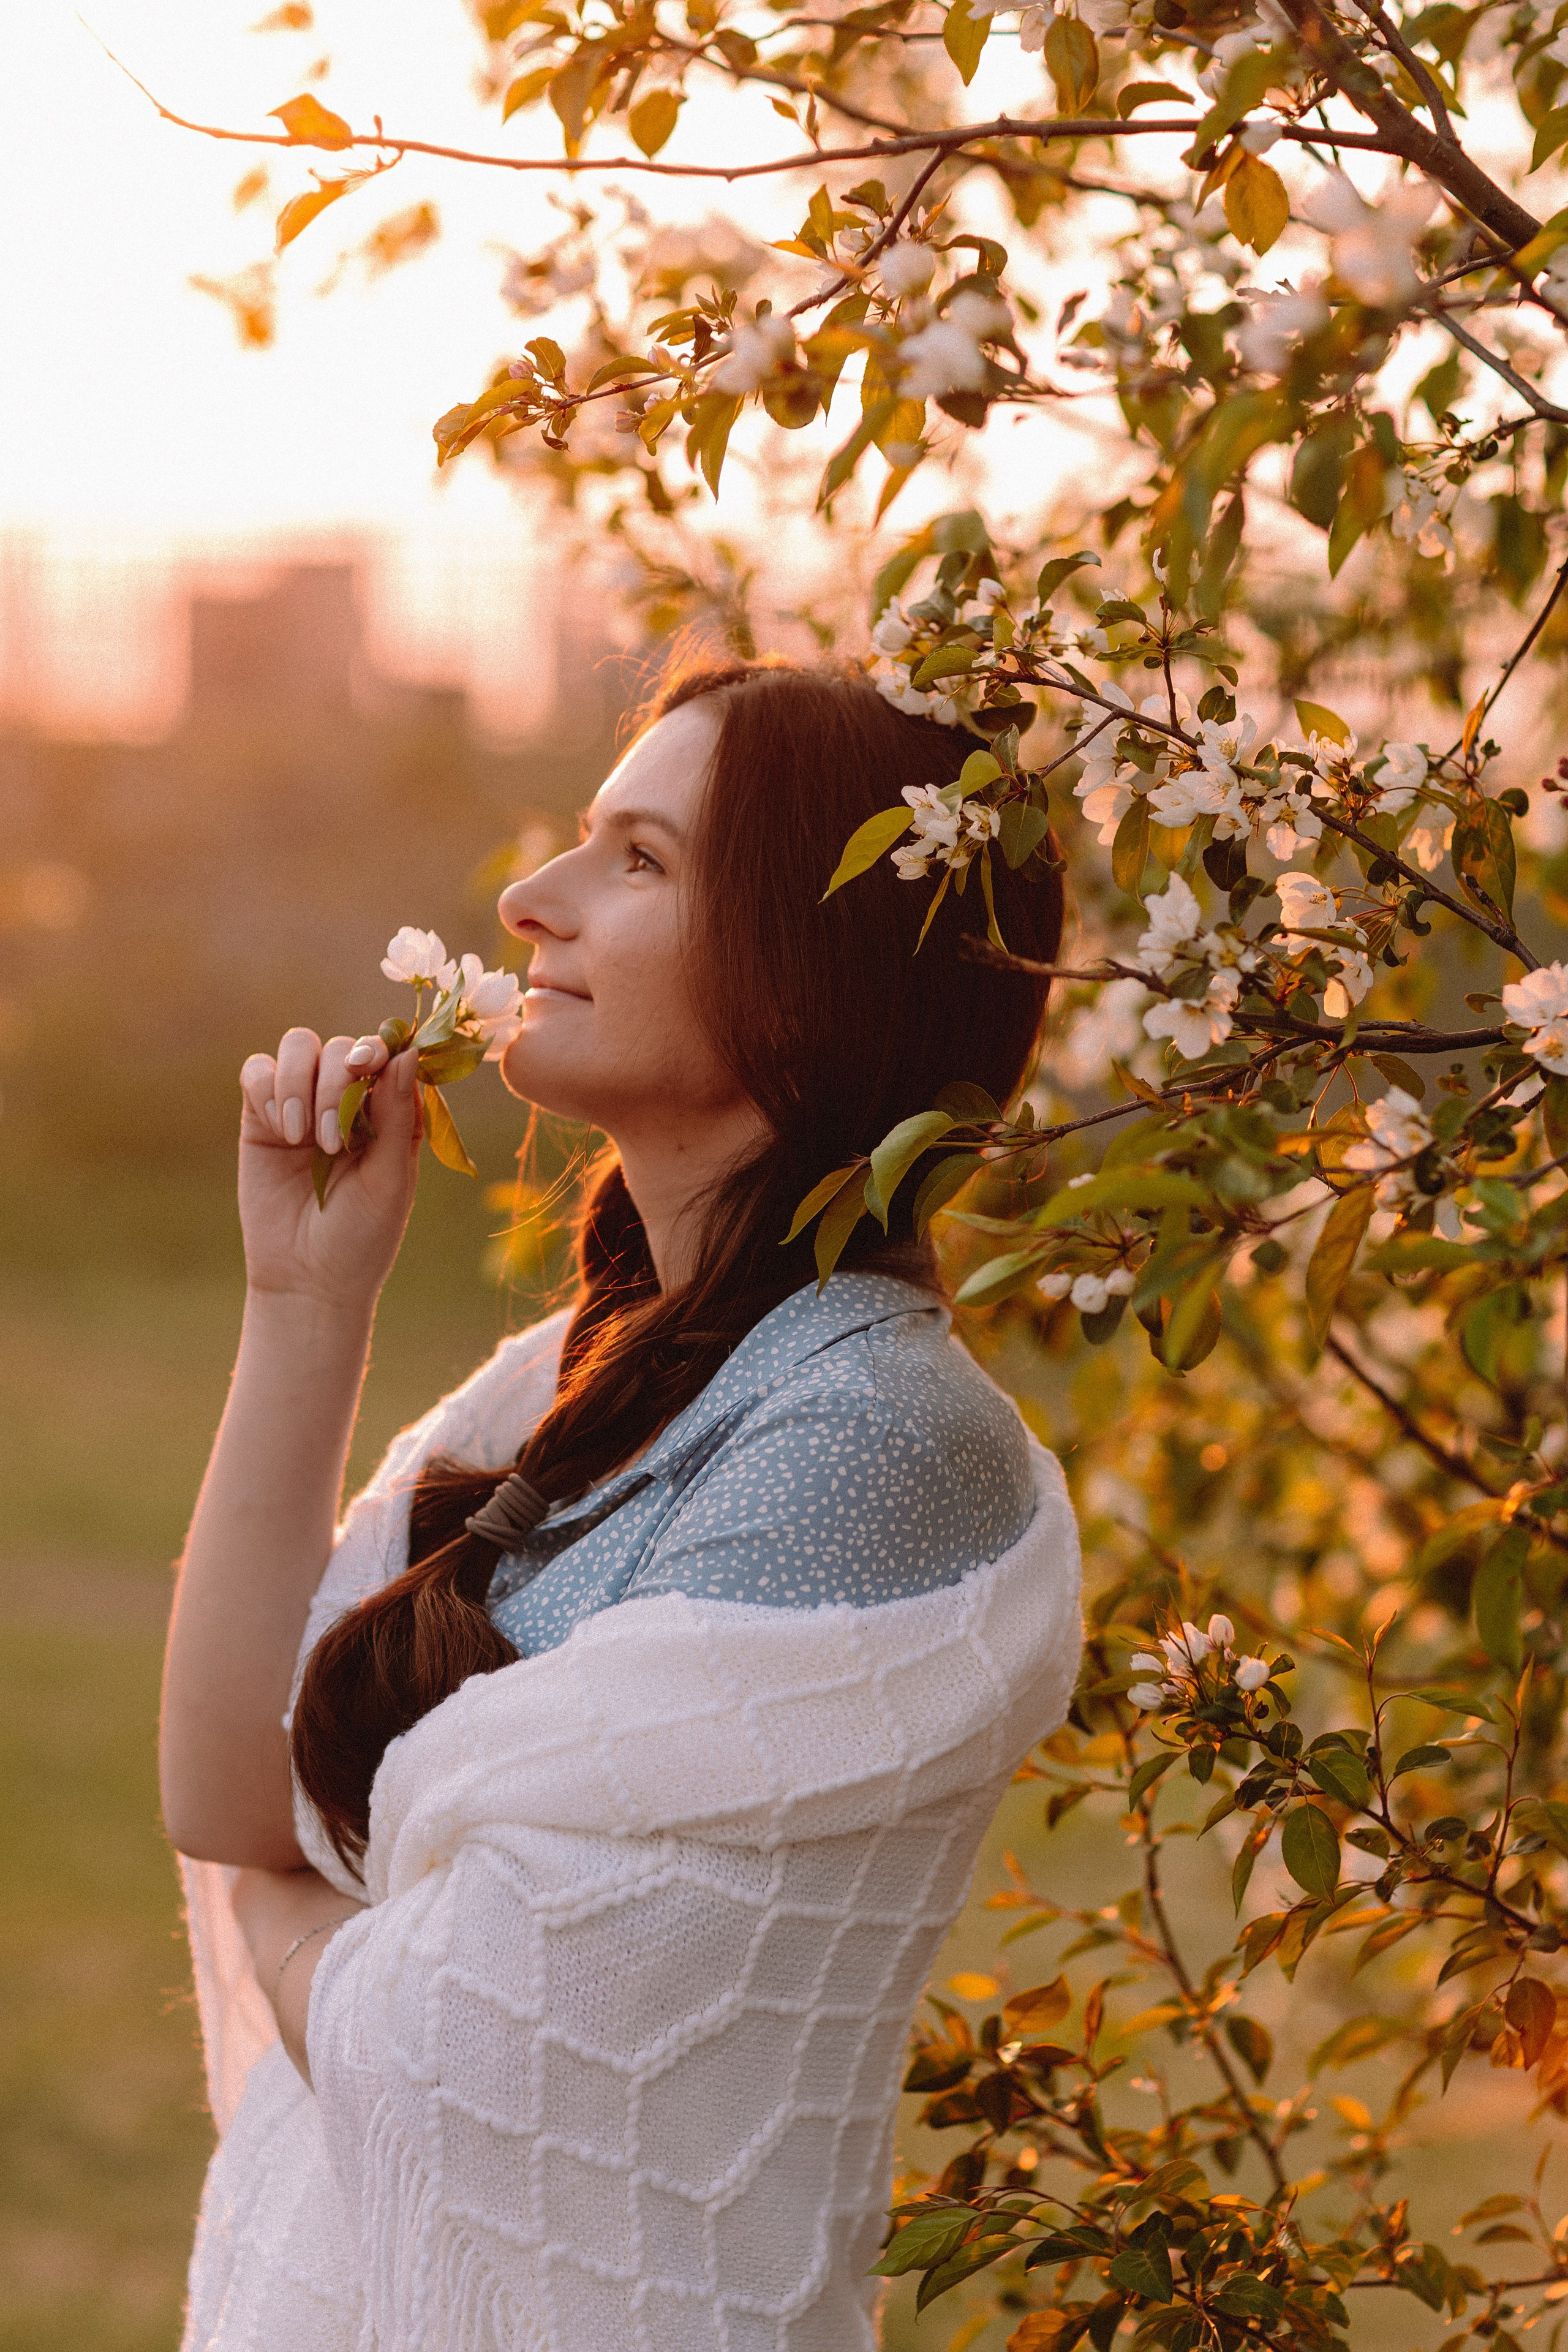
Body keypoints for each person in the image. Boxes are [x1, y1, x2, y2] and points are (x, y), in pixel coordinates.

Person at [161, 657, 1084, 2352]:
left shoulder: (869, 1440)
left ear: (814, 979)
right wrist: (304, 1306)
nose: (528, 899)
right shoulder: (582, 1389)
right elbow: (226, 1792)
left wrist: (325, 1915)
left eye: (639, 861)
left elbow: (450, 2053)